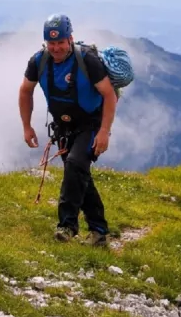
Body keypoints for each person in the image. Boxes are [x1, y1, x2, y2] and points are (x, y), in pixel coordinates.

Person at [18, 13, 118, 246]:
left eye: (60, 42)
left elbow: (108, 94)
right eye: (51, 43)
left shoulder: (88, 61)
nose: (56, 48)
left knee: (74, 165)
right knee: (79, 174)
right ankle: (99, 231)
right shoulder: (38, 61)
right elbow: (25, 90)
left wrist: (104, 131)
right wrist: (27, 126)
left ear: (70, 39)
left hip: (90, 125)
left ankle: (67, 226)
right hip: (63, 128)